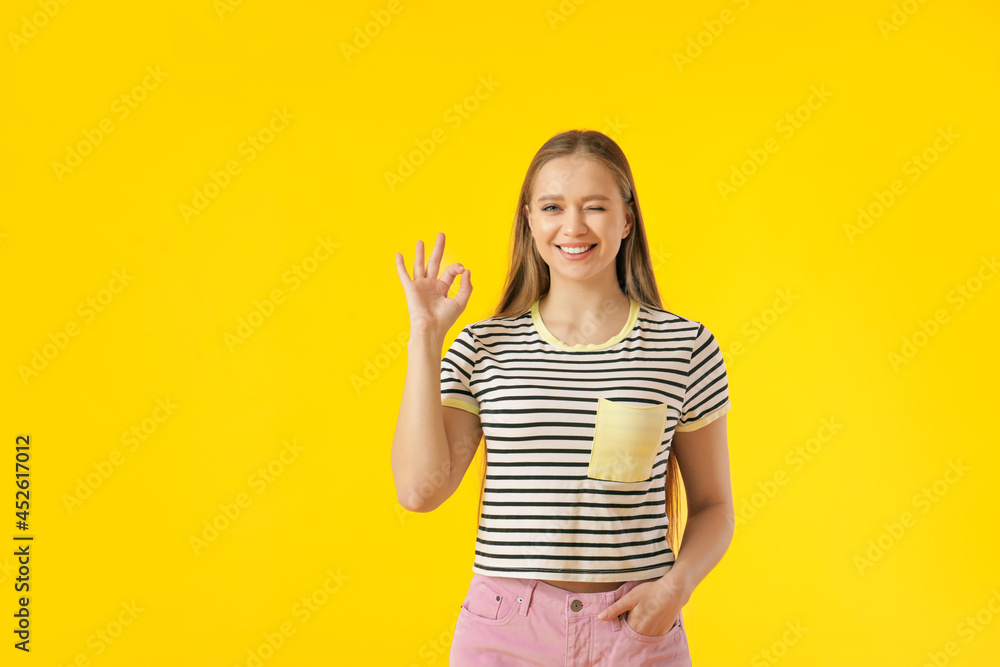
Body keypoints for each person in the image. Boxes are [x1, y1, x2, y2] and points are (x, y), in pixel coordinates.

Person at [392, 129, 734, 666]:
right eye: (552, 206)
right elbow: (419, 492)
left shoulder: (683, 346)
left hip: (635, 629)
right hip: (505, 631)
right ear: (530, 220)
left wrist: (675, 589)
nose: (572, 227)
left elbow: (715, 508)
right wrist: (425, 337)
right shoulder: (483, 347)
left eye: (594, 207)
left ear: (627, 219)